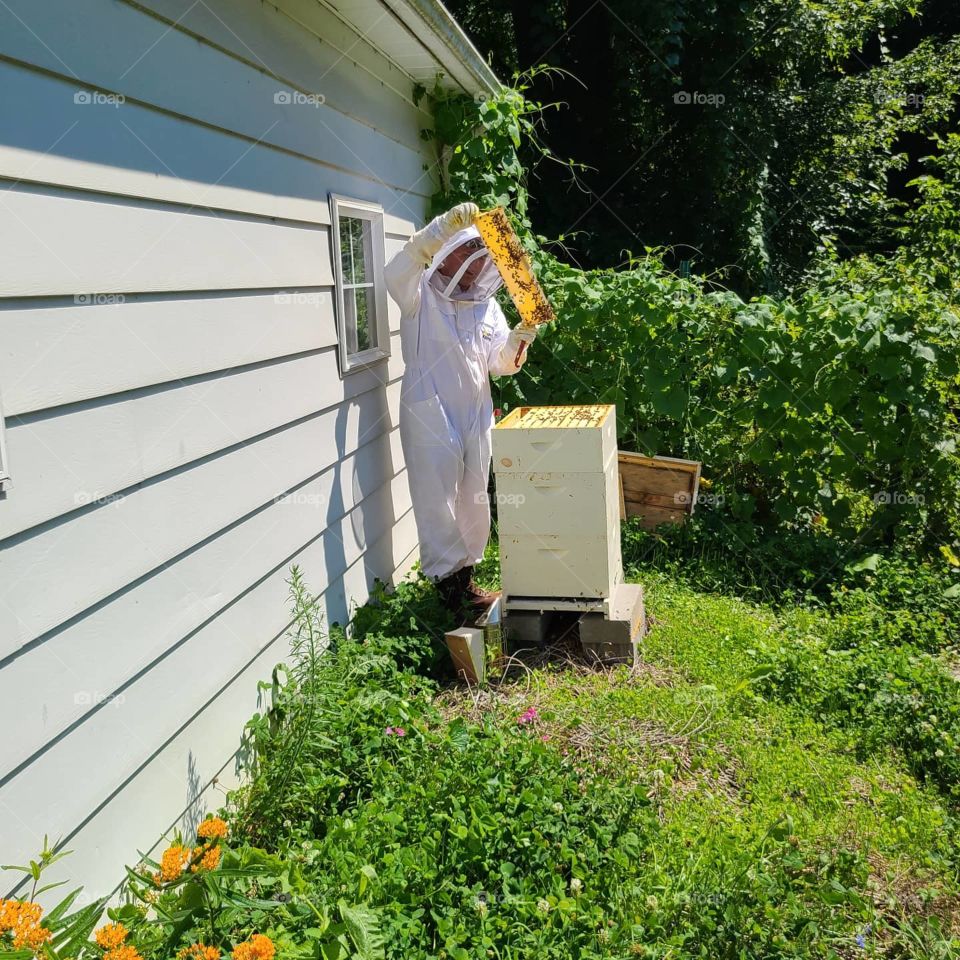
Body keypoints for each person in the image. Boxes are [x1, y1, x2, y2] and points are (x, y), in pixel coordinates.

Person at [385, 202, 537, 615]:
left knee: (473, 496)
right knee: (437, 499)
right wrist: (440, 227)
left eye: (480, 263)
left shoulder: (486, 305)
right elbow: (394, 272)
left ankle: (466, 580)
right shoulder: (418, 294)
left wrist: (520, 338)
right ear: (449, 250)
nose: (472, 270)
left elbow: (500, 364)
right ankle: (446, 591)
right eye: (464, 257)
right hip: (429, 408)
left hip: (475, 409)